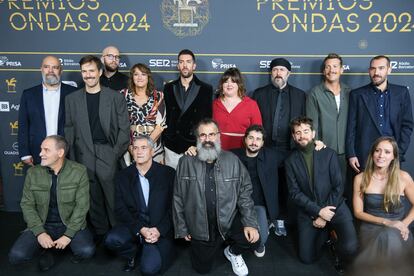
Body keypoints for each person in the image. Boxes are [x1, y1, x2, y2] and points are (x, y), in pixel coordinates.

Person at [173, 118, 260, 275]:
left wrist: (250, 223)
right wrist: (181, 227)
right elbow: (178, 197)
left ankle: (232, 252)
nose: (207, 139)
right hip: (200, 226)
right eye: (203, 135)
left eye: (212, 134)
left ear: (219, 136)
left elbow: (245, 192)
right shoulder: (185, 162)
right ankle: (213, 245)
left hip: (228, 220)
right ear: (197, 138)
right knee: (202, 269)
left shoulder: (232, 160)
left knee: (253, 239)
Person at [65, 55, 130, 239]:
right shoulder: (72, 99)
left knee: (112, 197)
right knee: (92, 199)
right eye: (84, 71)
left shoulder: (115, 97)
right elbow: (69, 129)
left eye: (91, 71)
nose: (88, 75)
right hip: (83, 153)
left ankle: (118, 236)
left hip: (107, 152)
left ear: (100, 72)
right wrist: (72, 158)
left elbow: (124, 129)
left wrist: (114, 153)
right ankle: (101, 235)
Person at [9, 135, 95, 271]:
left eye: (46, 150)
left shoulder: (79, 171)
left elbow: (82, 206)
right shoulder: (33, 173)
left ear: (60, 153)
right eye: (41, 149)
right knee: (16, 256)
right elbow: (27, 205)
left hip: (68, 223)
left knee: (86, 251)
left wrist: (68, 235)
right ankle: (50, 247)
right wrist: (39, 233)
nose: (40, 154)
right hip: (42, 223)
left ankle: (54, 248)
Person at [285, 116, 357, 269]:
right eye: (298, 133)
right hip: (309, 210)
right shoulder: (290, 161)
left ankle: (332, 237)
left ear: (313, 133)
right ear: (293, 136)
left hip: (335, 206)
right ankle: (326, 234)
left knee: (350, 248)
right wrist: (318, 212)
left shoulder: (328, 153)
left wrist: (325, 214)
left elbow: (338, 186)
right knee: (306, 258)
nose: (302, 135)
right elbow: (294, 193)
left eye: (305, 131)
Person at [105, 135, 175, 275]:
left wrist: (159, 230)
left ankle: (149, 248)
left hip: (158, 229)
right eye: (135, 148)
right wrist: (140, 228)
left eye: (144, 148)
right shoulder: (122, 176)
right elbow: (120, 209)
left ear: (152, 151)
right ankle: (132, 252)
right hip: (135, 226)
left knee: (149, 269)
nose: (139, 152)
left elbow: (174, 208)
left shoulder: (168, 174)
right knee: (111, 240)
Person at [252, 58, 306, 236]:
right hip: (266, 149)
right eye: (275, 70)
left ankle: (281, 220)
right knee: (266, 185)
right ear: (271, 73)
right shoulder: (259, 94)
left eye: (282, 70)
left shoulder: (300, 95)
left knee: (286, 186)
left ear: (288, 73)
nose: (278, 73)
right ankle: (267, 218)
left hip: (290, 149)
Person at [346, 55, 413, 174]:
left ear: (389, 69)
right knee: (365, 191)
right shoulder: (357, 94)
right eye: (373, 68)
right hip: (365, 156)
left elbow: (407, 125)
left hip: (392, 156)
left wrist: (398, 152)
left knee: (391, 192)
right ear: (369, 71)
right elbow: (351, 127)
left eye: (381, 68)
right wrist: (351, 154)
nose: (376, 72)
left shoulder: (401, 93)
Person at [353, 136, 414, 264]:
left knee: (390, 237)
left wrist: (403, 224)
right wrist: (386, 222)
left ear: (394, 157)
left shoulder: (403, 177)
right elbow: (358, 212)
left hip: (398, 228)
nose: (381, 155)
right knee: (386, 238)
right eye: (377, 150)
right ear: (372, 153)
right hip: (371, 227)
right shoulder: (360, 178)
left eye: (387, 152)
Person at [306, 53, 351, 199]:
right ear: (324, 71)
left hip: (347, 153)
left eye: (335, 66)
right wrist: (317, 145)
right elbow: (312, 123)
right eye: (328, 67)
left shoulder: (350, 92)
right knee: (324, 191)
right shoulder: (315, 93)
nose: (332, 70)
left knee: (344, 190)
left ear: (342, 69)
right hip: (324, 151)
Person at [18, 55, 76, 166]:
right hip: (37, 153)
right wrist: (24, 153)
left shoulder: (73, 93)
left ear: (61, 70)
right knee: (39, 183)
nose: (50, 71)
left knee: (66, 184)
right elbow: (23, 126)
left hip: (67, 153)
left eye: (55, 67)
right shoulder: (29, 95)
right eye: (46, 67)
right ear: (41, 69)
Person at [231, 125, 278, 257]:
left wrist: (315, 144)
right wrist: (195, 149)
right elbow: (210, 154)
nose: (254, 142)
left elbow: (295, 154)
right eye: (251, 138)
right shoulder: (232, 155)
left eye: (258, 139)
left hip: (258, 206)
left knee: (260, 242)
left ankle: (265, 225)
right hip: (237, 205)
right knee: (239, 236)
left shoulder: (271, 156)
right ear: (245, 139)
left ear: (262, 143)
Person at [163, 49, 213, 169]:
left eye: (188, 62)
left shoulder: (206, 89)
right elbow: (166, 116)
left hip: (194, 147)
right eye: (181, 62)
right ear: (178, 65)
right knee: (172, 184)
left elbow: (207, 121)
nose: (185, 65)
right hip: (172, 146)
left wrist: (199, 145)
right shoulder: (168, 88)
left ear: (194, 65)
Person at [120, 63, 166, 164]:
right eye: (136, 74)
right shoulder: (123, 95)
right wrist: (133, 148)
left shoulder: (158, 96)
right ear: (132, 77)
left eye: (143, 74)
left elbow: (160, 125)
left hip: (154, 149)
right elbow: (119, 125)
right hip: (129, 149)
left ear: (148, 77)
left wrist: (145, 147)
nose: (140, 77)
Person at [213, 67, 262, 150]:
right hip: (218, 150)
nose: (229, 85)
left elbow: (258, 131)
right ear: (222, 85)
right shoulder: (214, 104)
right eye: (226, 81)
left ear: (239, 85)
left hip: (243, 150)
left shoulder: (251, 104)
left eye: (233, 81)